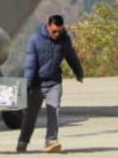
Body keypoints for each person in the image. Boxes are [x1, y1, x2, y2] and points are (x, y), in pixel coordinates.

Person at [17, 15, 85, 154]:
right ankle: (22, 142)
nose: (56, 34)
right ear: (48, 27)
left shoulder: (65, 40)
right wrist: (27, 86)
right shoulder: (35, 39)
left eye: (59, 31)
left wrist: (78, 72)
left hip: (54, 82)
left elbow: (71, 56)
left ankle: (51, 141)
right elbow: (30, 65)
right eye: (54, 31)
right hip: (36, 84)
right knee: (30, 115)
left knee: (54, 110)